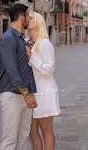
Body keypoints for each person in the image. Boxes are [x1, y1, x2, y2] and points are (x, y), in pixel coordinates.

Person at [0, 3, 37, 150]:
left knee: (22, 137)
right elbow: (12, 70)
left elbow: (22, 66)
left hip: (24, 94)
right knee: (9, 140)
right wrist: (27, 94)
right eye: (28, 16)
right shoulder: (7, 38)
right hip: (12, 94)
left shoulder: (20, 39)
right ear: (22, 18)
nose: (29, 19)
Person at [26, 12, 60, 150]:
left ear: (38, 22)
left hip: (45, 92)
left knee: (46, 129)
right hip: (30, 93)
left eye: (31, 17)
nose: (27, 19)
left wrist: (31, 58)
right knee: (31, 131)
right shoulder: (25, 42)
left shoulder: (45, 43)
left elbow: (49, 69)